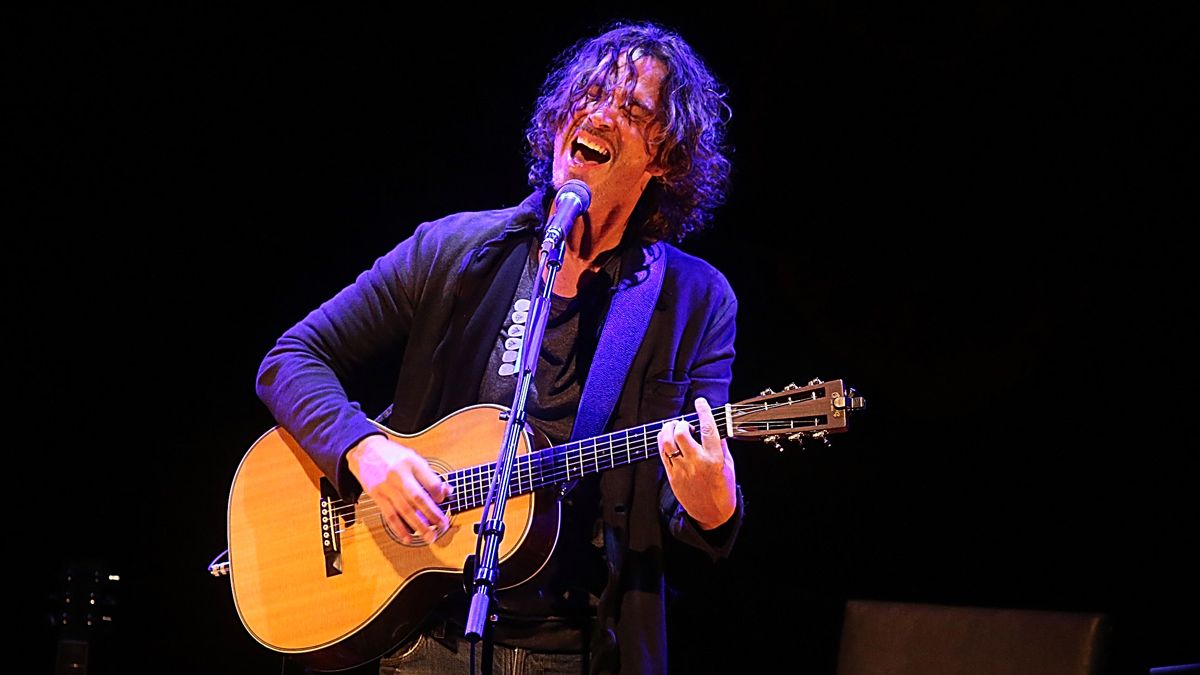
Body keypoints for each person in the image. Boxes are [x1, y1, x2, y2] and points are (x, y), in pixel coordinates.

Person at [256, 21, 742, 674]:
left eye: (630, 108)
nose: (598, 113)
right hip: (422, 632)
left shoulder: (696, 301)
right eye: (590, 93)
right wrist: (363, 451)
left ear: (666, 157)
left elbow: (684, 503)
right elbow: (289, 359)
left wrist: (714, 505)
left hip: (579, 649)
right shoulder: (455, 250)